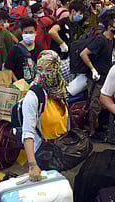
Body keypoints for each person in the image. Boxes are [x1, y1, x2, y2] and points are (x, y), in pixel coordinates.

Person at [22, 50, 69, 181]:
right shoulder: (33, 96)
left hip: (59, 148)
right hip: (43, 154)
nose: (43, 74)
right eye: (39, 69)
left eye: (49, 70)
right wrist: (32, 165)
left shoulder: (59, 90)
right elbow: (28, 133)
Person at [80, 10, 115, 137]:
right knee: (95, 106)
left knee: (102, 105)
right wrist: (93, 70)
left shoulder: (111, 39)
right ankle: (92, 131)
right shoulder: (100, 40)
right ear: (109, 27)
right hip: (97, 78)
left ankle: (97, 126)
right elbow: (84, 54)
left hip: (106, 77)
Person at [4, 17, 41, 83]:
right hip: (20, 88)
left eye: (31, 32)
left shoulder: (39, 49)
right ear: (22, 33)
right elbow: (8, 69)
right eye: (26, 32)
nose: (28, 35)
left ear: (35, 32)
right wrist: (18, 83)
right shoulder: (15, 50)